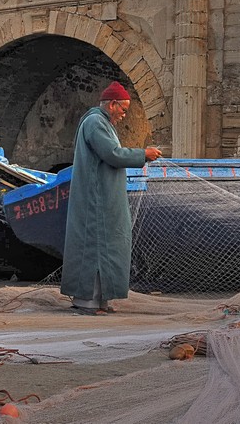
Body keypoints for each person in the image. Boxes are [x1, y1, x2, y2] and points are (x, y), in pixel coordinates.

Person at [60, 81, 162, 315]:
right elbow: (112, 154)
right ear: (112, 104)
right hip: (96, 198)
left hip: (102, 195)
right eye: (123, 110)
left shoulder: (101, 122)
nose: (124, 116)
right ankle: (87, 301)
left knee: (107, 245)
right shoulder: (95, 122)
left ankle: (101, 300)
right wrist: (143, 154)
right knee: (96, 246)